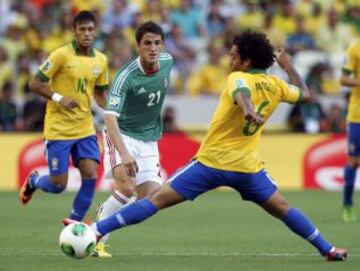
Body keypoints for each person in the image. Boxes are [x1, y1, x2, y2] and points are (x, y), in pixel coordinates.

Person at [91, 31, 348, 262]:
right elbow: (305, 94)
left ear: (246, 62)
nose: (230, 59)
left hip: (210, 164)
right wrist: (289, 68)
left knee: (154, 201)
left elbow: (241, 94)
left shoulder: (237, 77)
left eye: (234, 55)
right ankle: (328, 249)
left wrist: (248, 110)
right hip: (246, 169)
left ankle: (95, 230)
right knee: (283, 208)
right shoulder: (277, 85)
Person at [19, 11, 109, 224]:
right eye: (82, 30)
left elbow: (99, 94)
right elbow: (34, 83)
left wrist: (113, 110)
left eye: (90, 29)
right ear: (74, 32)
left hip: (85, 128)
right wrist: (59, 98)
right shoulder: (61, 55)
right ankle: (34, 181)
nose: (86, 34)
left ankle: (74, 221)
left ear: (95, 32)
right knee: (59, 184)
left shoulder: (101, 60)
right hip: (59, 129)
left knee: (90, 174)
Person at [93, 21, 173, 258]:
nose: (153, 48)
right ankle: (97, 241)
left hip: (149, 139)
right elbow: (109, 117)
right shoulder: (125, 76)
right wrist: (125, 153)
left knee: (149, 201)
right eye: (147, 43)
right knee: (126, 189)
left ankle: (106, 209)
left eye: (157, 43)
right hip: (121, 135)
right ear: (138, 46)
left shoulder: (168, 62)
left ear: (163, 45)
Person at [340, 39, 360, 223]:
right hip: (357, 116)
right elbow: (343, 79)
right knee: (354, 161)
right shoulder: (355, 47)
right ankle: (347, 203)